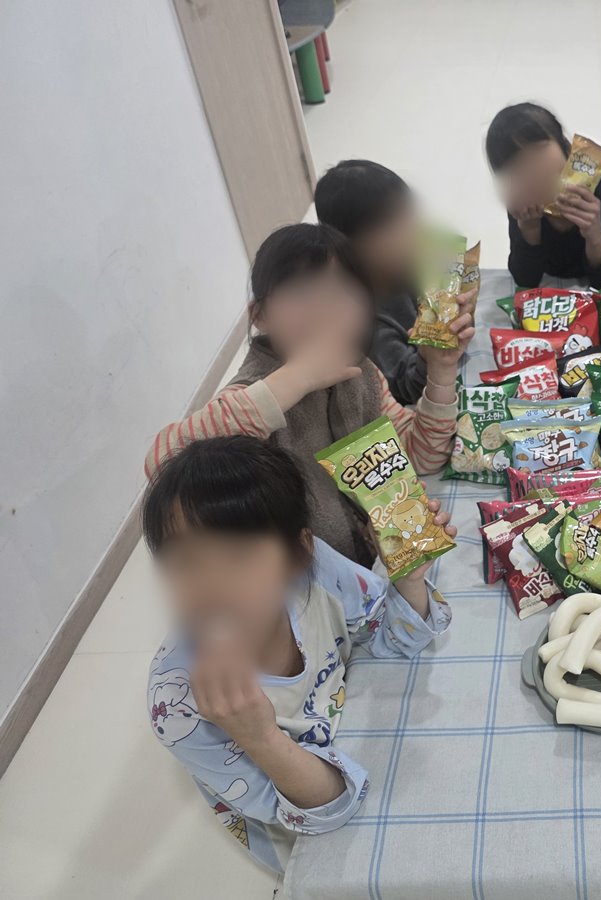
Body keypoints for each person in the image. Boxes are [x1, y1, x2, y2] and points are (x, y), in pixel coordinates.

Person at [145, 437, 455, 872]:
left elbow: (392, 634)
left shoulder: (317, 572)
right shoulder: (180, 706)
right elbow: (320, 812)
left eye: (239, 557)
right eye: (187, 562)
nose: (212, 588)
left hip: (362, 732)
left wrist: (409, 577)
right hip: (310, 826)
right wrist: (260, 737)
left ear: (299, 553)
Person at [145, 223, 471, 567]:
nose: (325, 310)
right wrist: (296, 379)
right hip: (307, 584)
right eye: (302, 292)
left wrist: (441, 370)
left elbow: (420, 455)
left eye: (342, 292)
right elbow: (163, 463)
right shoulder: (252, 394)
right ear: (260, 315)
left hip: (376, 566)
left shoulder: (361, 373)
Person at [314, 159, 447, 406]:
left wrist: (455, 311)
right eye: (396, 225)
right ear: (353, 247)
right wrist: (431, 356)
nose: (415, 232)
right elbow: (409, 388)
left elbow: (446, 321)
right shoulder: (364, 321)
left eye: (411, 216)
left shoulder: (406, 271)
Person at [486, 102, 601, 287]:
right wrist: (529, 228)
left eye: (538, 149)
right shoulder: (522, 201)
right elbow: (525, 280)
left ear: (565, 145)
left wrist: (594, 235)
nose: (531, 168)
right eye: (515, 164)